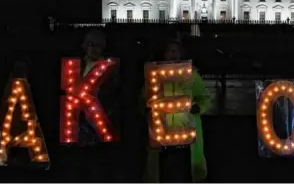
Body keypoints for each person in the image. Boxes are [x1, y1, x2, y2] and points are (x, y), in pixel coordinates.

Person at [141, 40, 212, 183]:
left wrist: (198, 107)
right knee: (164, 174)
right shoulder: (155, 76)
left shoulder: (192, 75)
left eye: (175, 50)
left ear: (181, 54)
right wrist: (145, 108)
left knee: (185, 174)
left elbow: (205, 98)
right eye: (169, 50)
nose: (172, 54)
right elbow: (144, 99)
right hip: (163, 138)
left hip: (186, 136)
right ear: (163, 54)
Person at [59, 29, 124, 182]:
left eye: (97, 46)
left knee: (98, 167)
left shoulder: (110, 68)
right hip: (77, 123)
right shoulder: (75, 67)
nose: (93, 49)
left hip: (99, 123)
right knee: (79, 167)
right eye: (90, 45)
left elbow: (115, 93)